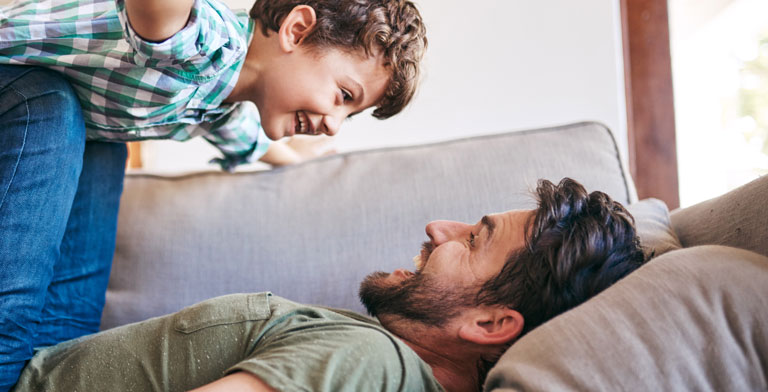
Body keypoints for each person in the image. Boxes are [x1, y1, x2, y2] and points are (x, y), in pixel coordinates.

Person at [0, 0, 428, 389]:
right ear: (296, 31)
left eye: (349, 116)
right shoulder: (202, 41)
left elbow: (248, 140)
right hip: (17, 85)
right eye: (343, 95)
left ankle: (48, 369)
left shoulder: (221, 100)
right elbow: (158, 12)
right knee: (52, 103)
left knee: (105, 149)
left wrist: (298, 161)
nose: (335, 123)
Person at [11, 178, 648, 392]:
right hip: (56, 352)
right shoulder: (384, 361)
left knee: (52, 103)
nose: (438, 227)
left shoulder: (368, 362)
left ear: (488, 324)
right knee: (104, 123)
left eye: (474, 239)